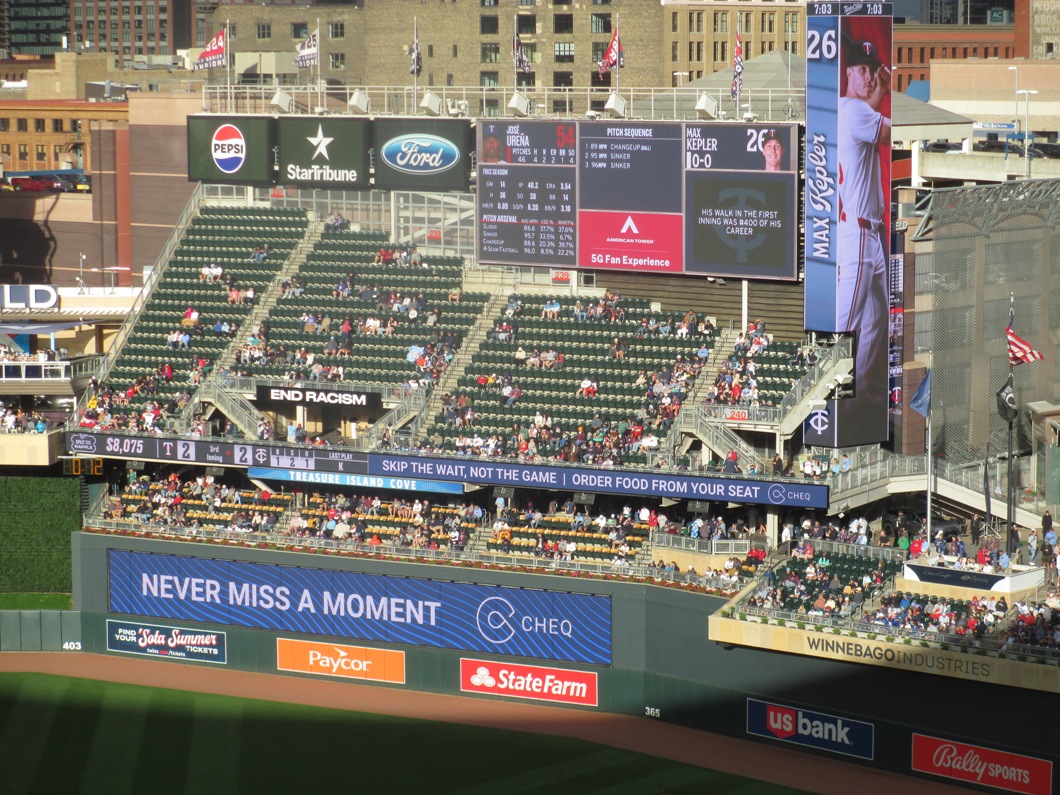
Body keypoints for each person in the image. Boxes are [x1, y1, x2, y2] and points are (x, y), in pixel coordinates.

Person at [838, 39, 891, 418]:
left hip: (868, 232)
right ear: (848, 73)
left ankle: (855, 390)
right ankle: (829, 391)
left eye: (872, 68)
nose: (869, 75)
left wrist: (881, 90)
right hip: (857, 234)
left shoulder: (851, 109)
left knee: (877, 319)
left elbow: (868, 115)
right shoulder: (856, 112)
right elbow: (887, 130)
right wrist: (891, 91)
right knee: (847, 320)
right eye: (862, 69)